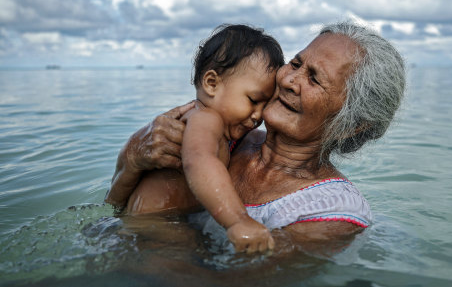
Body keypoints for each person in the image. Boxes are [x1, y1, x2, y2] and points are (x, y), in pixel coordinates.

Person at [105, 21, 406, 254]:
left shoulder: (332, 214)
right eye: (296, 63)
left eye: (314, 78)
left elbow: (237, 280)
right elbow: (113, 210)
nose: (289, 80)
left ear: (351, 125)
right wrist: (132, 159)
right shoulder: (229, 136)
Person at [119, 24, 284, 253]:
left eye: (265, 105)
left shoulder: (214, 125)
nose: (259, 115)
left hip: (151, 225)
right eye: (253, 100)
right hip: (154, 228)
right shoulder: (206, 118)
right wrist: (238, 220)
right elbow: (199, 160)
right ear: (211, 83)